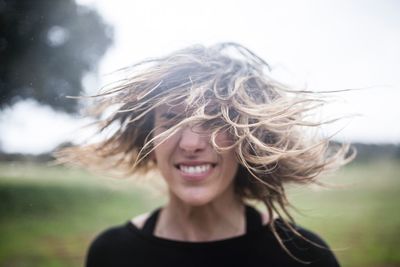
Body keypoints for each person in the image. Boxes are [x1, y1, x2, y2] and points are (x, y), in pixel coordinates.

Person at [58, 42, 353, 266]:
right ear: (150, 140)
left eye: (214, 120)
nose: (190, 143)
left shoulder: (303, 256)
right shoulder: (111, 253)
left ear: (247, 139)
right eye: (171, 119)